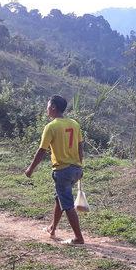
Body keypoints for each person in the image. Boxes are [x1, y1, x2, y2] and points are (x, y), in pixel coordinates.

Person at [25, 95, 85, 245]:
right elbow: (80, 146)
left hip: (62, 170)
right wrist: (79, 165)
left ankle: (78, 238)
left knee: (68, 204)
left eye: (47, 106)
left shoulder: (51, 127)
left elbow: (41, 151)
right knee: (60, 198)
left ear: (53, 108)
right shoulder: (74, 124)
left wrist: (31, 168)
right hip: (75, 169)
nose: (46, 109)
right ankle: (52, 228)